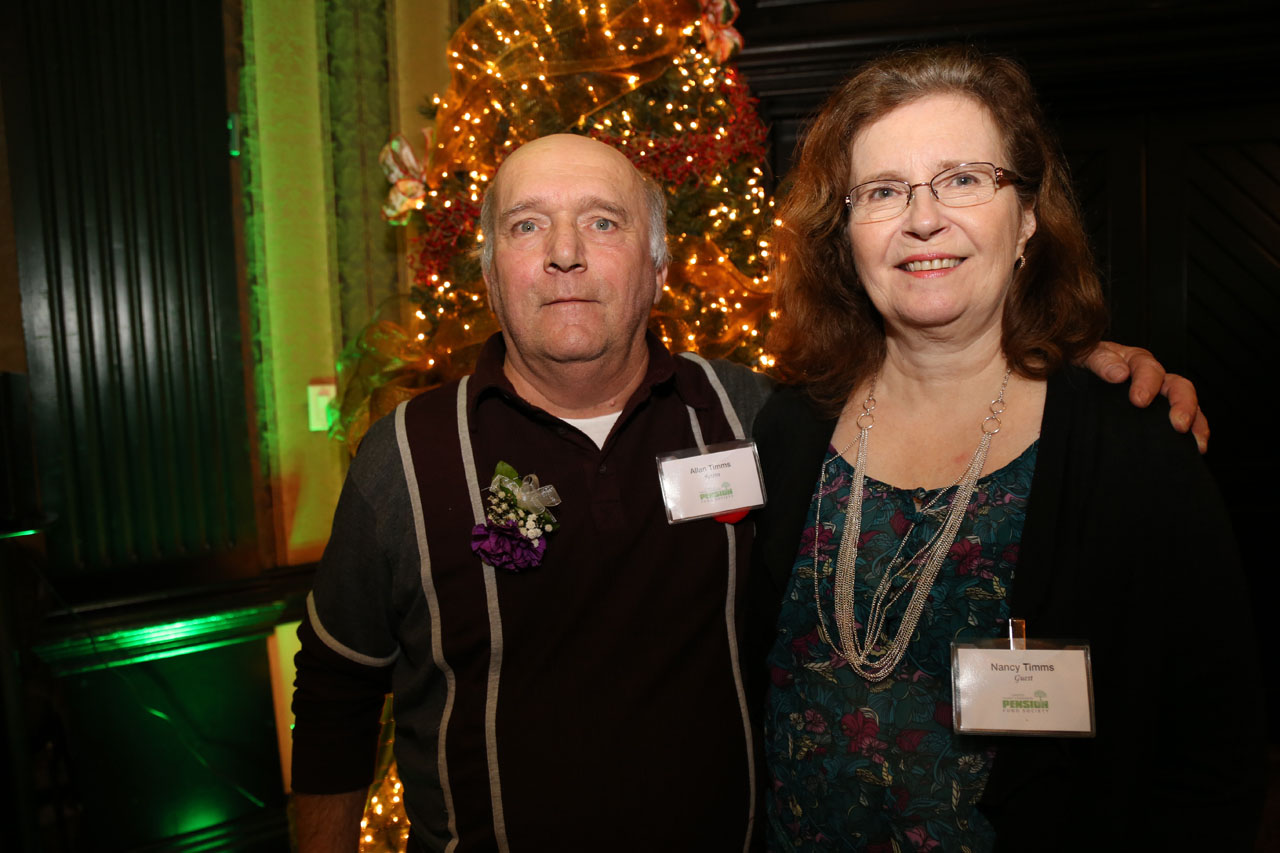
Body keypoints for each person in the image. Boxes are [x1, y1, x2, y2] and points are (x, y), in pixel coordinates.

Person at [291, 132, 1202, 852]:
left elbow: (933, 382)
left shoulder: (755, 415)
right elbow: (335, 695)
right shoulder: (402, 458)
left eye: (602, 222)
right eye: (527, 225)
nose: (564, 252)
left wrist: (1075, 369)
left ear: (656, 265)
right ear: (489, 269)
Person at [750, 46, 1264, 852]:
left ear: (1026, 217)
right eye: (883, 191)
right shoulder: (787, 430)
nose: (924, 219)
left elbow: (1215, 756)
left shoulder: (1133, 446)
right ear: (844, 232)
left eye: (963, 179)